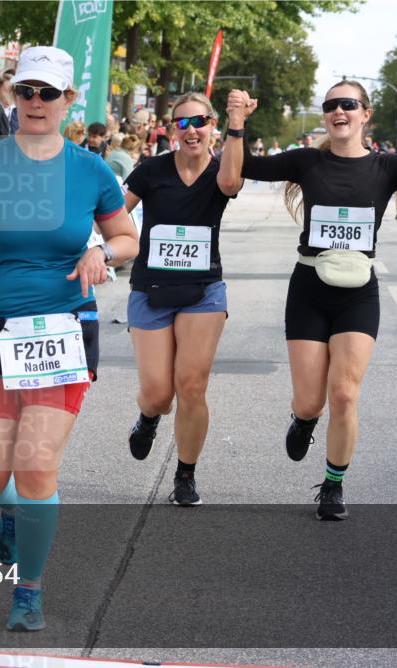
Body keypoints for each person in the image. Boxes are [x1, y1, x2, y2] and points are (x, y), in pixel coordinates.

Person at [0, 45, 138, 631]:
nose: (37, 102)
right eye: (27, 91)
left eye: (49, 92)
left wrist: (102, 250)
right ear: (10, 95)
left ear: (70, 100)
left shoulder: (92, 169)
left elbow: (126, 237)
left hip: (63, 329)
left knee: (37, 466)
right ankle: (15, 513)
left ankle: (29, 590)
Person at [220, 82, 397, 520]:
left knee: (345, 395)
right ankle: (304, 420)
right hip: (310, 289)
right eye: (331, 105)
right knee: (311, 400)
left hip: (358, 293)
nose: (338, 111)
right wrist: (236, 124)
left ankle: (333, 485)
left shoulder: (387, 167)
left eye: (348, 104)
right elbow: (244, 169)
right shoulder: (306, 161)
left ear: (365, 114)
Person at [123, 92, 240, 506]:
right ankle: (149, 416)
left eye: (200, 121)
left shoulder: (222, 171)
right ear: (173, 129)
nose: (191, 130)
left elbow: (230, 184)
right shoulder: (151, 170)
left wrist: (238, 122)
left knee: (191, 385)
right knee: (159, 393)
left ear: (212, 126)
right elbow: (116, 214)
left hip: (203, 291)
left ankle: (185, 475)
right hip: (151, 289)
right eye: (183, 123)